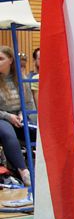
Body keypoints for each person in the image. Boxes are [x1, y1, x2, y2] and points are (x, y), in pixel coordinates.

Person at [0, 46, 36, 186]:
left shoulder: (22, 79)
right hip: (2, 117)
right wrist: (8, 117)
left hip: (19, 117)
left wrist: (23, 113)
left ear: (10, 60)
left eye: (1, 59)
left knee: (38, 132)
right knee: (8, 132)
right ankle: (24, 172)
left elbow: (28, 103)